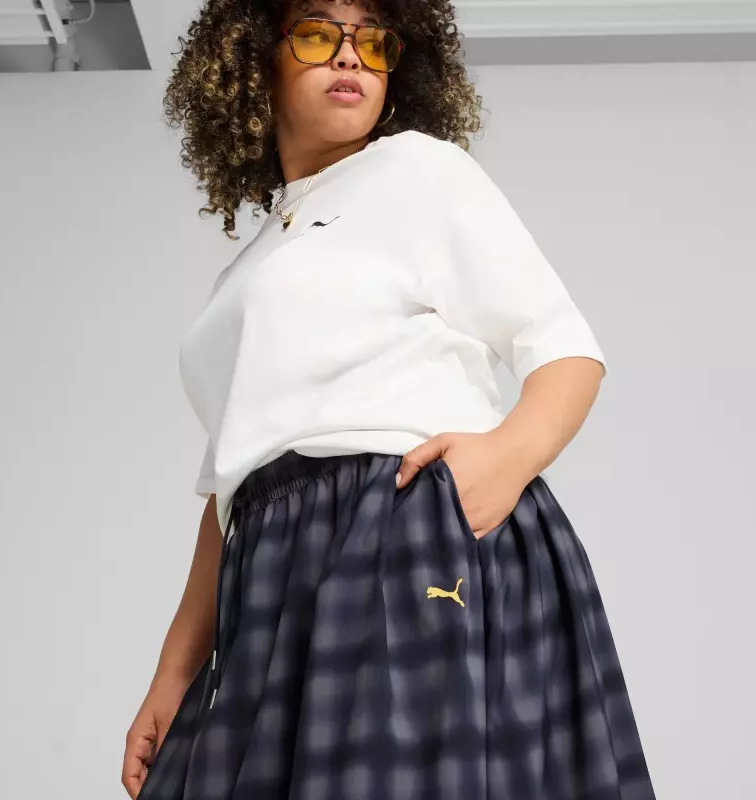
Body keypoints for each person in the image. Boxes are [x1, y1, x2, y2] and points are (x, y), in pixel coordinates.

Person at [122, 1, 656, 798]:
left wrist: (498, 465)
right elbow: (230, 486)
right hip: (270, 564)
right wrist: (173, 673)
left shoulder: (417, 169)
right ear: (253, 58)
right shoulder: (247, 268)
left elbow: (565, 349)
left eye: (373, 42)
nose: (350, 57)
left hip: (400, 524)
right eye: (318, 33)